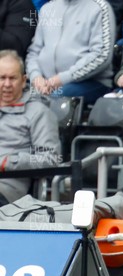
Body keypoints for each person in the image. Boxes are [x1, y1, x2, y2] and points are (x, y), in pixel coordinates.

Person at [26, 0, 116, 105]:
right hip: (45, 84)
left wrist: (60, 79)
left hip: (90, 83)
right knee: (18, 97)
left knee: (51, 100)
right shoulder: (47, 8)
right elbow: (34, 52)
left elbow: (101, 55)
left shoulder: (100, 7)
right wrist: (36, 77)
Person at [0, 50, 60, 206]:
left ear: (23, 80)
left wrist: (8, 162)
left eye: (12, 78)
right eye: (2, 78)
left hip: (7, 188)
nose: (6, 84)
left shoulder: (38, 112)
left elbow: (51, 159)